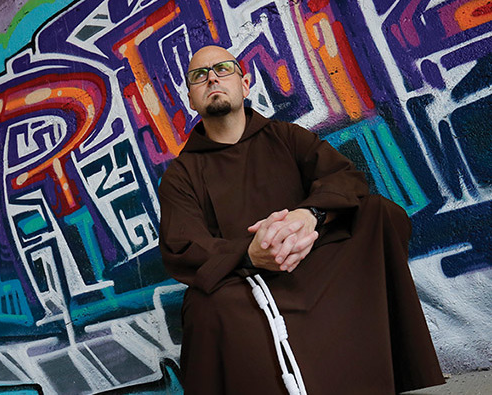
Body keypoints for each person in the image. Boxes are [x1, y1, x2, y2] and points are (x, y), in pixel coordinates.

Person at [158, 45, 444, 394]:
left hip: (312, 266)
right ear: (191, 99)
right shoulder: (180, 174)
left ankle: (394, 375)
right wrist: (251, 254)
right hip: (244, 280)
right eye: (199, 75)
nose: (212, 78)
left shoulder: (286, 137)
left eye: (222, 69)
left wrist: (310, 216)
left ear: (245, 84)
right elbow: (183, 245)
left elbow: (345, 178)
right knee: (205, 307)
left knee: (378, 212)